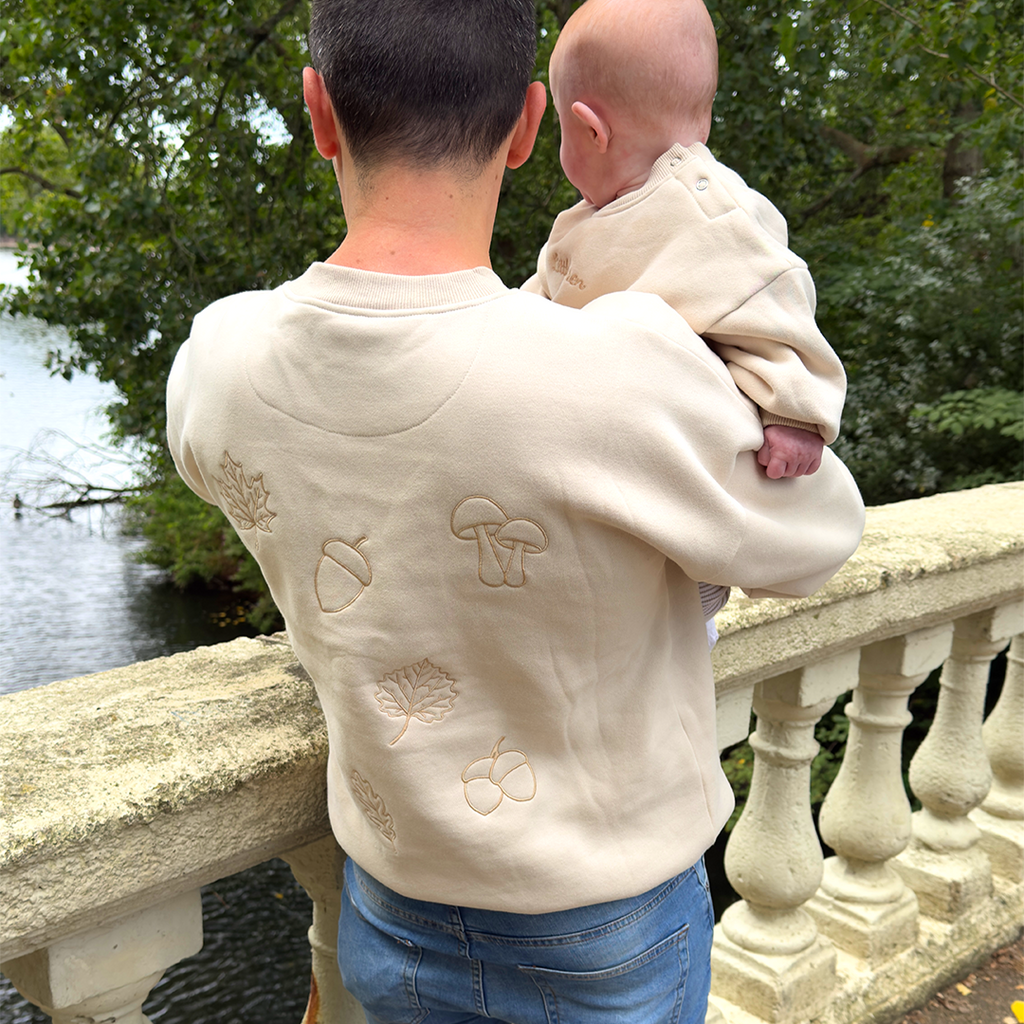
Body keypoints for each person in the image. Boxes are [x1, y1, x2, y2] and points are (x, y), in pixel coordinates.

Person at [165, 1, 864, 1021]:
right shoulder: (620, 369)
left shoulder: (219, 363)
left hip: (386, 908)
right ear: (531, 125)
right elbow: (816, 533)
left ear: (319, 112)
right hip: (601, 929)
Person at [524, 0, 849, 648]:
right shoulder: (596, 221)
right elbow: (544, 293)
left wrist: (796, 412)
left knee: (671, 596)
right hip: (609, 448)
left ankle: (689, 622)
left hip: (681, 464)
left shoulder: (715, 215)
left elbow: (776, 304)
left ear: (591, 131)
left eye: (561, 131)